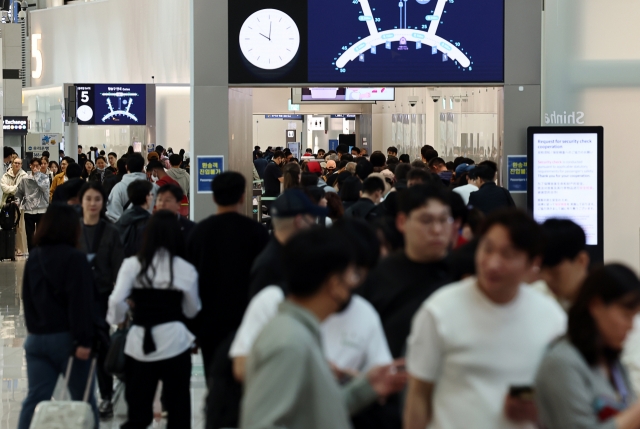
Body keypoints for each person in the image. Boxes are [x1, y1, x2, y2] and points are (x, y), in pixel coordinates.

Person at [403, 209, 567, 429]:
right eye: (487, 249)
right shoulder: (439, 311)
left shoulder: (551, 318)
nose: (492, 263)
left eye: (507, 255)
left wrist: (539, 411)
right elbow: (418, 394)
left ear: (532, 263)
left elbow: (559, 401)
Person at [240, 226, 407, 429]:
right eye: (351, 274)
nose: (355, 283)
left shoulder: (299, 332)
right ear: (334, 284)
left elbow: (311, 415)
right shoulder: (289, 342)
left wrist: (365, 389)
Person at [107, 211, 201, 429]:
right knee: (178, 412)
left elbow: (115, 302)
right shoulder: (184, 269)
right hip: (175, 342)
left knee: (138, 414)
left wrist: (121, 318)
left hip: (139, 342)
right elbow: (192, 308)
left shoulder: (132, 265)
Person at [17, 204, 101, 429]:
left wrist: (35, 331)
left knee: (35, 398)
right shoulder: (76, 258)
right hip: (68, 341)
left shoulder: (34, 257)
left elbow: (27, 297)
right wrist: (84, 341)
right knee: (84, 400)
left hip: (36, 340)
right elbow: (80, 304)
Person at [535, 264, 640, 429]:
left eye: (634, 317)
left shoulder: (612, 362)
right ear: (596, 305)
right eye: (626, 315)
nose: (631, 326)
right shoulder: (561, 362)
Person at [186, 172, 269, 378]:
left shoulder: (199, 233)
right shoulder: (257, 232)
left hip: (209, 322)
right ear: (242, 196)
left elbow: (190, 283)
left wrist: (192, 327)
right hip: (248, 321)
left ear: (213, 197)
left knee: (214, 381)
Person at [359, 185, 454, 359]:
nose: (437, 230)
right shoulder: (377, 278)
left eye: (444, 220)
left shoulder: (464, 274)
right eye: (426, 220)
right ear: (402, 222)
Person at [78, 182, 124, 419]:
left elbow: (118, 269)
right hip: (76, 300)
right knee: (79, 346)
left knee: (102, 344)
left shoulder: (111, 231)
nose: (93, 203)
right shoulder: (73, 231)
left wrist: (122, 303)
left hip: (103, 297)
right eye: (89, 199)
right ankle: (79, 396)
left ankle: (105, 395)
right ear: (82, 201)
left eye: (97, 199)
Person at [249, 188, 326, 297]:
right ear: (299, 221)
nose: (313, 223)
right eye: (311, 217)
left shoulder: (288, 255)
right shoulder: (270, 268)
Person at [539, 219, 590, 305]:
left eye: (554, 272)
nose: (546, 279)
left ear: (581, 261)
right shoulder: (539, 298)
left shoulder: (607, 303)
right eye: (540, 270)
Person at [106, 153, 158, 222]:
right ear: (142, 167)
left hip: (125, 229)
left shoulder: (118, 188)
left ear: (126, 167)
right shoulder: (154, 187)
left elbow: (112, 215)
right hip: (148, 229)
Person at [15, 158, 50, 252]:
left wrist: (37, 175)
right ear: (30, 166)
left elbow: (44, 188)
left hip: (42, 209)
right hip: (29, 210)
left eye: (37, 166)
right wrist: (17, 202)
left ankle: (42, 253)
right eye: (33, 165)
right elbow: (19, 192)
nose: (35, 168)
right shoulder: (25, 179)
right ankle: (32, 254)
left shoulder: (45, 177)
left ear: (40, 166)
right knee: (29, 235)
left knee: (42, 234)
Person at [115, 180, 153, 257]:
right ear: (147, 197)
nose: (152, 197)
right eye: (151, 194)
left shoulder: (123, 217)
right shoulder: (149, 221)